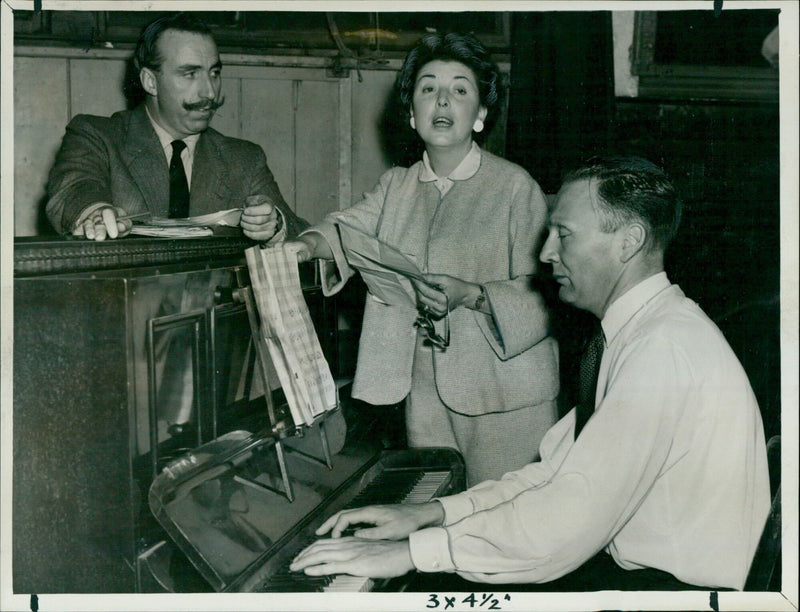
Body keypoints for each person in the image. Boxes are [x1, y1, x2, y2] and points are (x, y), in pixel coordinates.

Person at [289, 156, 771, 592]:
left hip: (672, 594)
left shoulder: (662, 350)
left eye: (564, 234)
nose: (545, 253)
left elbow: (564, 521)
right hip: (642, 578)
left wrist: (411, 554)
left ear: (629, 242)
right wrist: (431, 514)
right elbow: (559, 473)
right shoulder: (644, 331)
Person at [284, 32, 558, 486]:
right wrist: (306, 245)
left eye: (460, 89)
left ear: (481, 114)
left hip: (507, 395)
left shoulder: (515, 187)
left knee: (502, 525)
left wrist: (471, 295)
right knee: (434, 515)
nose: (443, 101)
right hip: (423, 393)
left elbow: (547, 294)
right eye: (428, 88)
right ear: (412, 114)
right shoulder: (397, 186)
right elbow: (345, 228)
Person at [45, 12, 306, 242]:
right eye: (190, 74)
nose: (209, 92)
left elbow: (303, 236)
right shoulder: (97, 136)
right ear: (150, 81)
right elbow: (73, 190)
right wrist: (95, 212)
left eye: (214, 73)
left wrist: (275, 225)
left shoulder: (245, 159)